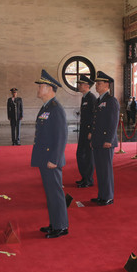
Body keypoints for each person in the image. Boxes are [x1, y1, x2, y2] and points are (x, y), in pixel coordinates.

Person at [31, 70, 69, 239]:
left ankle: (61, 226)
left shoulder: (56, 109)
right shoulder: (46, 107)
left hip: (51, 159)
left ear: (49, 89)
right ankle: (54, 223)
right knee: (50, 193)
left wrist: (54, 159)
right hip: (45, 157)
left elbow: (61, 136)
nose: (38, 89)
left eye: (41, 87)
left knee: (55, 193)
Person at [89, 71, 119, 206]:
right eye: (96, 83)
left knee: (105, 170)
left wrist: (109, 139)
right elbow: (96, 121)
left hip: (106, 141)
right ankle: (101, 195)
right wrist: (92, 138)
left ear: (107, 85)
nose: (96, 86)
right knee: (100, 169)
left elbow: (113, 122)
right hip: (97, 140)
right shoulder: (99, 100)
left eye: (99, 83)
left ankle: (108, 196)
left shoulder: (111, 101)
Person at [75, 75, 97, 188]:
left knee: (88, 156)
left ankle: (88, 180)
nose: (79, 86)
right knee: (80, 154)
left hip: (89, 132)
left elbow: (95, 116)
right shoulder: (84, 97)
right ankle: (84, 177)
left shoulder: (91, 98)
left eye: (81, 84)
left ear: (87, 86)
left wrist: (91, 132)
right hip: (83, 131)